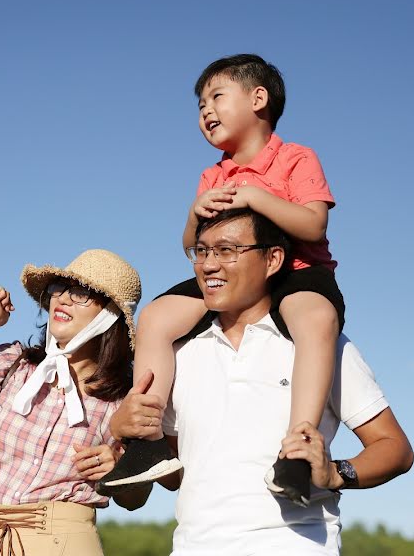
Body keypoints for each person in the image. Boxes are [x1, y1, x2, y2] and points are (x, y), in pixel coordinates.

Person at [101, 54, 345, 507]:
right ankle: (148, 437)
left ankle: (298, 445)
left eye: (215, 96)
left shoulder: (295, 158)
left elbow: (314, 226)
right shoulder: (212, 174)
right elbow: (190, 244)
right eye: (199, 105)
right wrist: (195, 213)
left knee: (314, 319)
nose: (204, 111)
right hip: (229, 275)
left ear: (258, 99)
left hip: (296, 273)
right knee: (157, 316)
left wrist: (257, 197)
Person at [109, 208, 413, 555]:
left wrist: (335, 472)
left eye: (227, 250)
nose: (208, 264)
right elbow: (177, 475)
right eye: (202, 251)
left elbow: (395, 448)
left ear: (273, 259)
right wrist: (123, 432)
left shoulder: (320, 345)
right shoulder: (177, 352)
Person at [0, 249, 151, 556]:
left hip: (66, 542)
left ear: (110, 314)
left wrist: (118, 469)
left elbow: (136, 499)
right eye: (59, 288)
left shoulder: (124, 397)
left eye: (81, 293)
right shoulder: (14, 364)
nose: (62, 299)